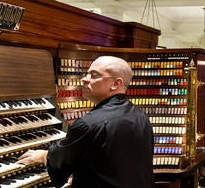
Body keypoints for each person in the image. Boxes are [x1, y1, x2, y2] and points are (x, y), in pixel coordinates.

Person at [17, 56, 154, 188]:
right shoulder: (141, 116)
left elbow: (63, 159)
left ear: (115, 84)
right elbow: (114, 160)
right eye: (86, 74)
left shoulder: (89, 123)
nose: (84, 79)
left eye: (93, 75)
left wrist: (43, 155)